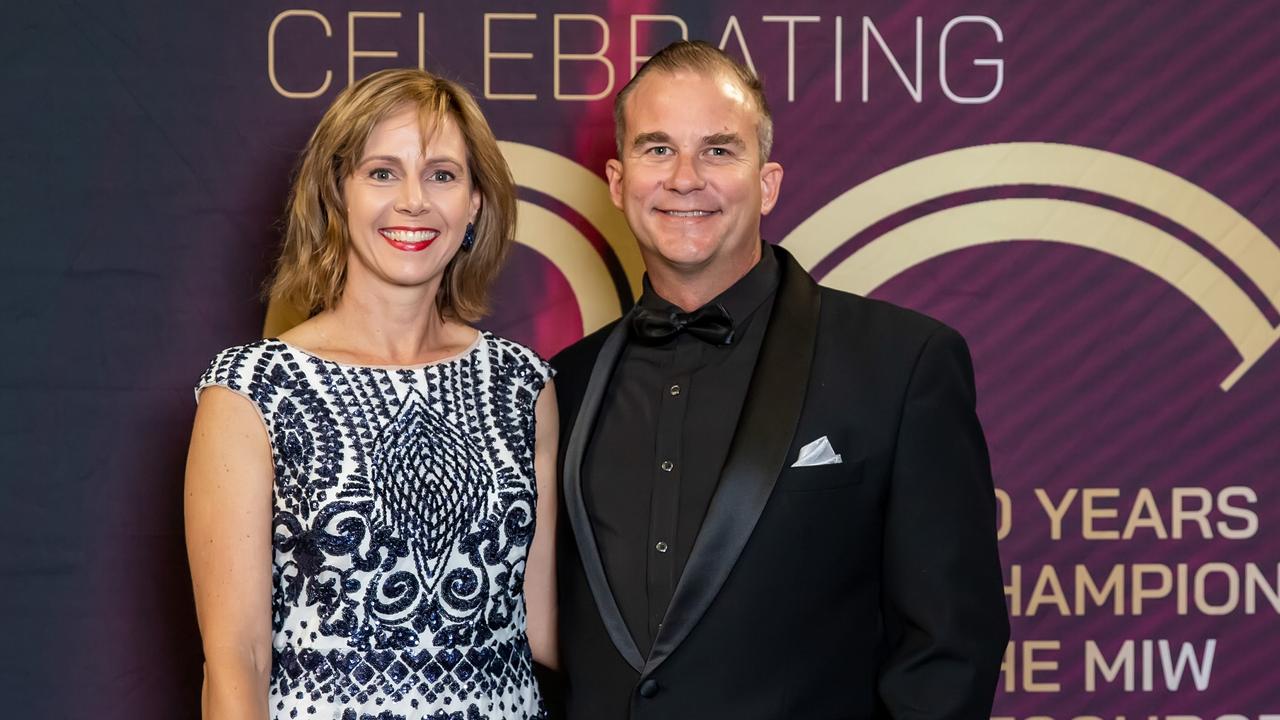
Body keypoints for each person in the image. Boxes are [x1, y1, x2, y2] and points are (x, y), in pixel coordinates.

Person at [551, 41, 1009, 719]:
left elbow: (950, 648)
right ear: (618, 183)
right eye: (657, 149)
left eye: (718, 150)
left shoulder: (902, 364)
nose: (684, 178)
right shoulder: (560, 385)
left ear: (766, 182)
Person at [185, 68, 557, 720]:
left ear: (474, 204)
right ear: (337, 192)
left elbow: (547, 626)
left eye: (442, 175)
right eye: (382, 172)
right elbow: (236, 659)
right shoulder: (252, 390)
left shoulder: (523, 385)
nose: (414, 200)